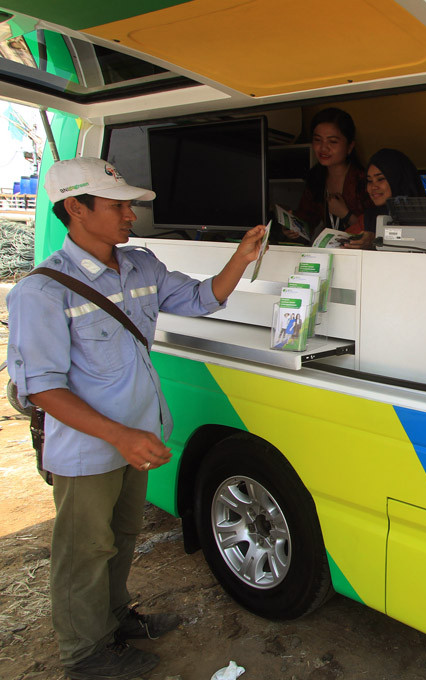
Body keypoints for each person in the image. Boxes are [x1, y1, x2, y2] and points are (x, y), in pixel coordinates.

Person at [5, 157, 266, 680]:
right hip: (88, 449)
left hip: (134, 439)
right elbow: (44, 388)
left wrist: (241, 258)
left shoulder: (142, 267)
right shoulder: (43, 291)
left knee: (122, 535)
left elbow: (201, 298)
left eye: (129, 205)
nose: (130, 215)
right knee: (84, 551)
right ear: (76, 209)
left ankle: (114, 618)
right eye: (117, 205)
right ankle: (85, 655)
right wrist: (120, 436)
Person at [287, 107, 372, 245]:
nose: (323, 148)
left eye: (332, 141)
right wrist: (294, 229)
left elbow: (375, 232)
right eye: (317, 140)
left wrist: (346, 215)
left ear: (350, 146)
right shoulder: (315, 177)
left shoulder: (364, 180)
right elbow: (308, 220)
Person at [353, 148, 425, 249]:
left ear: (398, 180)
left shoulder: (424, 217)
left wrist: (374, 241)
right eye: (369, 181)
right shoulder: (367, 218)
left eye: (380, 179)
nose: (373, 187)